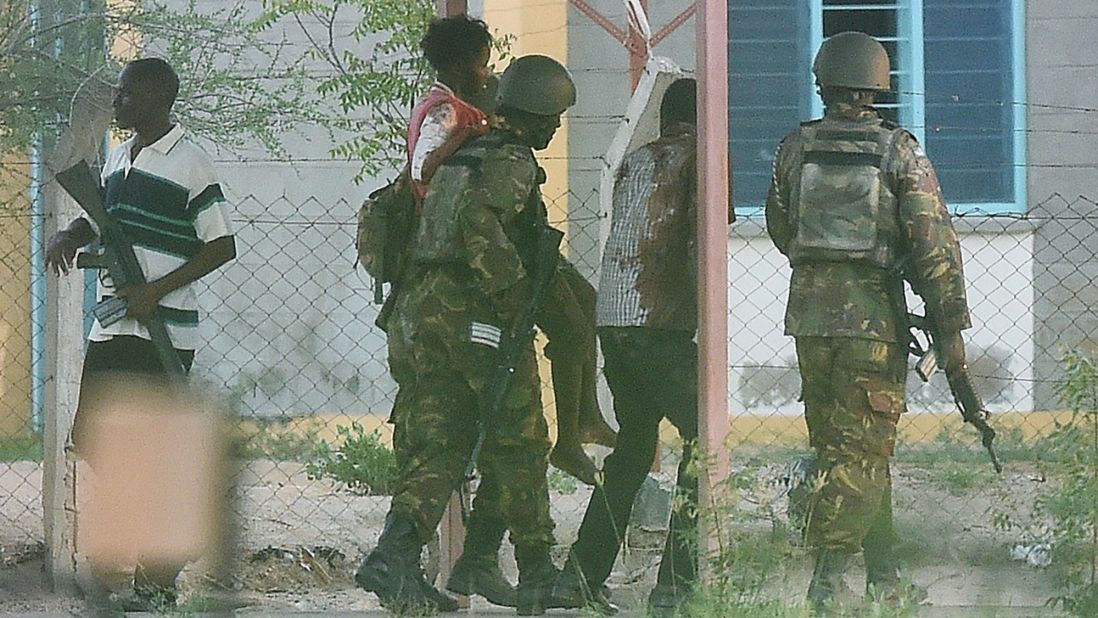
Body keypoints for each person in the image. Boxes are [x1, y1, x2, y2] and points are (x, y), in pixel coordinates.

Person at [354, 54, 578, 616]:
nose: (556, 128)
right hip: (471, 319)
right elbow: (481, 227)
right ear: (540, 114)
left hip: (416, 316)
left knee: (443, 443)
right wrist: (513, 301)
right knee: (521, 440)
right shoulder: (509, 160)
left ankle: (394, 558)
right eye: (555, 117)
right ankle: (536, 572)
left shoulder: (456, 156)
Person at [764, 31, 971, 610]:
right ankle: (826, 586)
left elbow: (781, 228)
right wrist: (949, 322)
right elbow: (932, 243)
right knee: (861, 453)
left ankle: (884, 576)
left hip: (809, 320)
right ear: (878, 86)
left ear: (822, 81)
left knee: (845, 445)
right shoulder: (897, 151)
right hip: (873, 325)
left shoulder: (794, 148)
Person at [45, 57, 237, 611]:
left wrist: (158, 290)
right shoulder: (119, 156)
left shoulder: (191, 162)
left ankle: (158, 576)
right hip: (114, 325)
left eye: (127, 95)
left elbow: (221, 245)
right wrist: (71, 232)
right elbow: (105, 215)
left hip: (162, 332)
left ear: (157, 98)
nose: (118, 103)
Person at [552, 78, 726, 617]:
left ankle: (579, 576)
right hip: (659, 324)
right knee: (703, 440)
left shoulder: (639, 159)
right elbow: (706, 241)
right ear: (707, 117)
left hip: (615, 320)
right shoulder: (703, 159)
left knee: (632, 449)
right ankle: (676, 585)